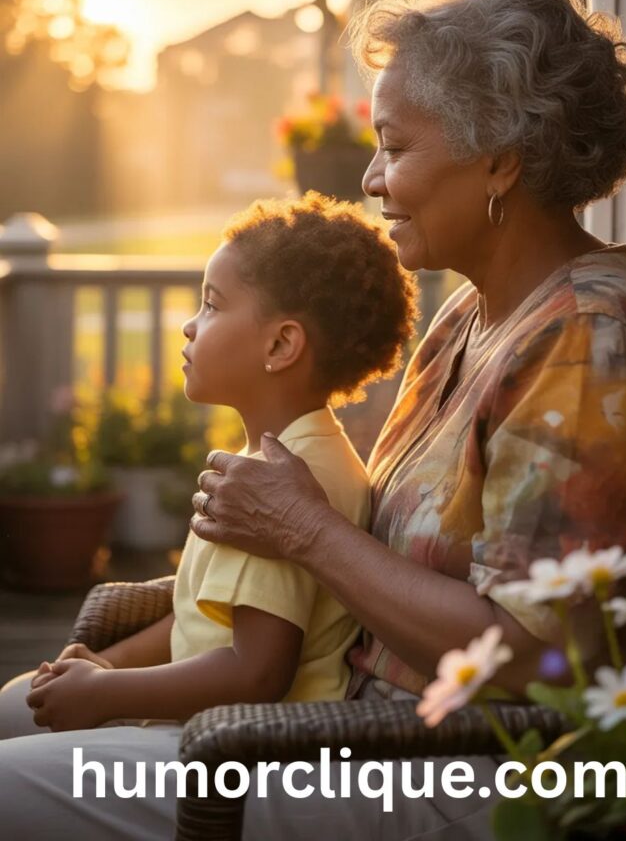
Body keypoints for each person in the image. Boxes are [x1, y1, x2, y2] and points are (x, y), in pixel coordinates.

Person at [0, 0, 626, 840]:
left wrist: (302, 531)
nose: (369, 178)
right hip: (347, 720)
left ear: (501, 161)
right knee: (19, 708)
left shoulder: (590, 342)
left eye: (395, 147)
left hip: (464, 772)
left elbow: (533, 657)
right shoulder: (471, 319)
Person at [0, 192, 416, 735]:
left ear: (282, 343)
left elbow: (256, 672)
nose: (189, 326)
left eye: (212, 304)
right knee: (15, 700)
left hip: (236, 749)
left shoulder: (285, 483)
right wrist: (109, 665)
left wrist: (106, 694)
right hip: (209, 722)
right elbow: (199, 616)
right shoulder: (285, 455)